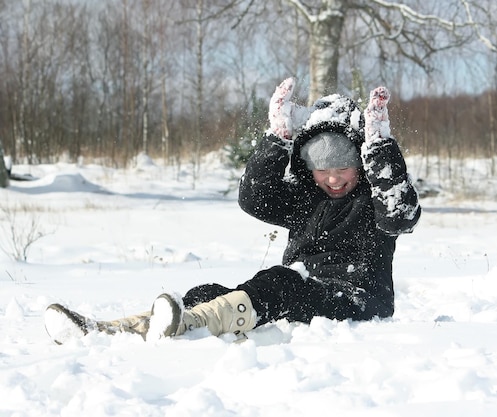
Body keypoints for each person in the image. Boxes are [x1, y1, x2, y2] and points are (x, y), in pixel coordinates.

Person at [44, 78, 421, 344]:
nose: (334, 180)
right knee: (205, 291)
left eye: (344, 168)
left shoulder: (375, 198)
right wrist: (278, 140)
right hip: (303, 290)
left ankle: (185, 326)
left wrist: (381, 152)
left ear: (361, 162)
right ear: (309, 167)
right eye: (323, 170)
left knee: (280, 281)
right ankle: (118, 330)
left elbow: (400, 215)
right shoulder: (306, 196)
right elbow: (255, 198)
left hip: (356, 302)